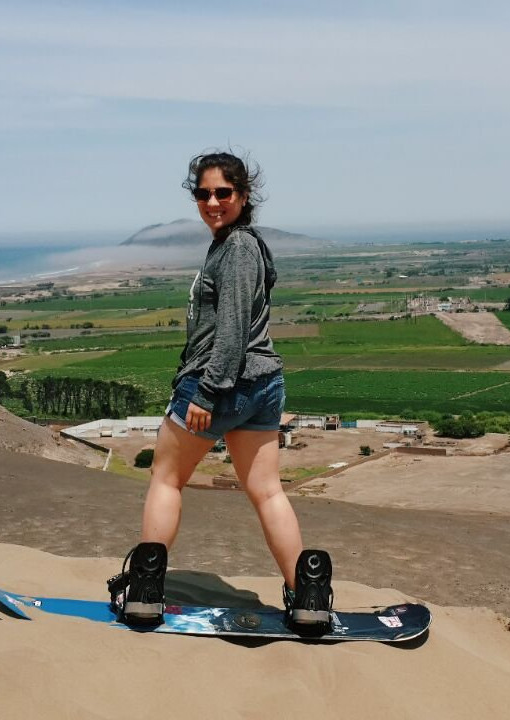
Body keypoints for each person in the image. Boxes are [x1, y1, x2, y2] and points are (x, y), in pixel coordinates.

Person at [107, 151, 332, 628]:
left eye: (223, 193)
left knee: (166, 478)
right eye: (203, 193)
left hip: (220, 382)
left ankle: (145, 589)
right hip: (263, 385)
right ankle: (307, 594)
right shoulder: (242, 245)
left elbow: (230, 328)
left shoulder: (236, 249)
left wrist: (207, 393)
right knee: (267, 492)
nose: (212, 201)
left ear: (243, 196)